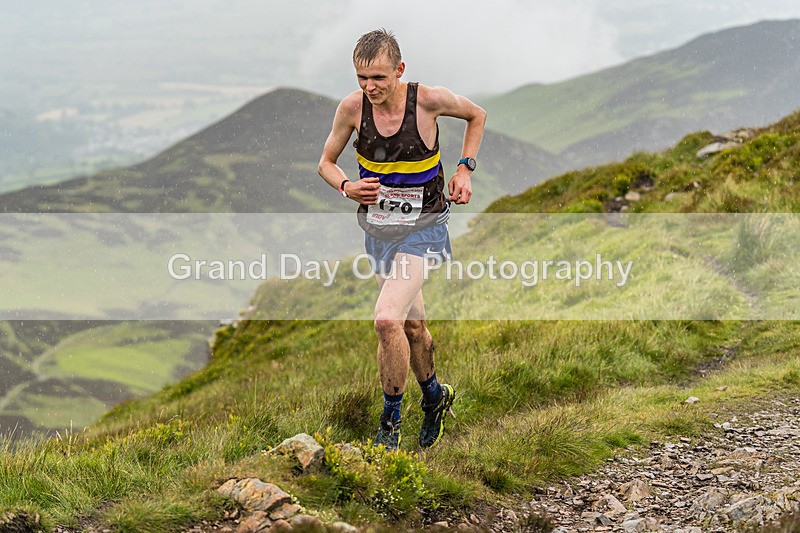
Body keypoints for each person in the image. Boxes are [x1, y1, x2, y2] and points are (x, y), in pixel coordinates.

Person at [317, 28, 486, 451]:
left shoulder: (427, 100)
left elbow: (477, 114)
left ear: (399, 70)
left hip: (424, 230)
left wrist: (464, 169)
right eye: (362, 78)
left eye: (378, 77)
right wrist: (347, 187)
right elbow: (325, 163)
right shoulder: (352, 109)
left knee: (385, 320)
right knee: (412, 326)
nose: (370, 87)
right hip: (379, 233)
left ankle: (389, 426)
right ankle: (435, 397)